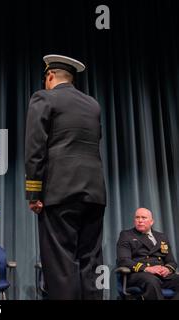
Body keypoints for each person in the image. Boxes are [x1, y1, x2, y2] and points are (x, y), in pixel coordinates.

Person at [25, 55, 106, 299]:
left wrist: (34, 193)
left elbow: (35, 148)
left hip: (59, 192)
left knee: (61, 265)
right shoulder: (93, 104)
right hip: (94, 193)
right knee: (90, 263)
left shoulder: (44, 97)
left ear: (50, 76)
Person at [117, 208, 179, 299]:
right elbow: (124, 261)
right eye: (137, 217)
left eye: (143, 218)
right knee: (152, 281)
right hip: (139, 274)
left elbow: (171, 262)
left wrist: (167, 269)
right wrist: (147, 268)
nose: (140, 220)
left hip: (161, 275)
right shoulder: (126, 235)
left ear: (151, 221)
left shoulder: (162, 237)